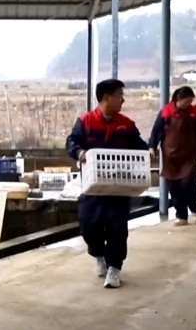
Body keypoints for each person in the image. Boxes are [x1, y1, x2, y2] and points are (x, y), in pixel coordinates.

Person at [66, 79, 148, 289]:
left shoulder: (126, 124)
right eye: (120, 95)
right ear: (107, 98)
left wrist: (148, 151)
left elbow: (139, 146)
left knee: (117, 229)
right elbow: (72, 142)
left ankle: (114, 268)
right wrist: (79, 152)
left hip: (119, 186)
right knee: (88, 226)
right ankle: (98, 253)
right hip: (93, 186)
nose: (122, 100)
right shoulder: (85, 122)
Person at [148, 86, 196, 226]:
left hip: (189, 156)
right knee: (174, 187)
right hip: (170, 157)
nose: (189, 104)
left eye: (190, 101)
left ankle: (194, 209)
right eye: (186, 101)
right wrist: (152, 146)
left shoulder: (193, 114)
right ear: (178, 99)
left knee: (187, 184)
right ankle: (181, 216)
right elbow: (156, 131)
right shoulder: (166, 112)